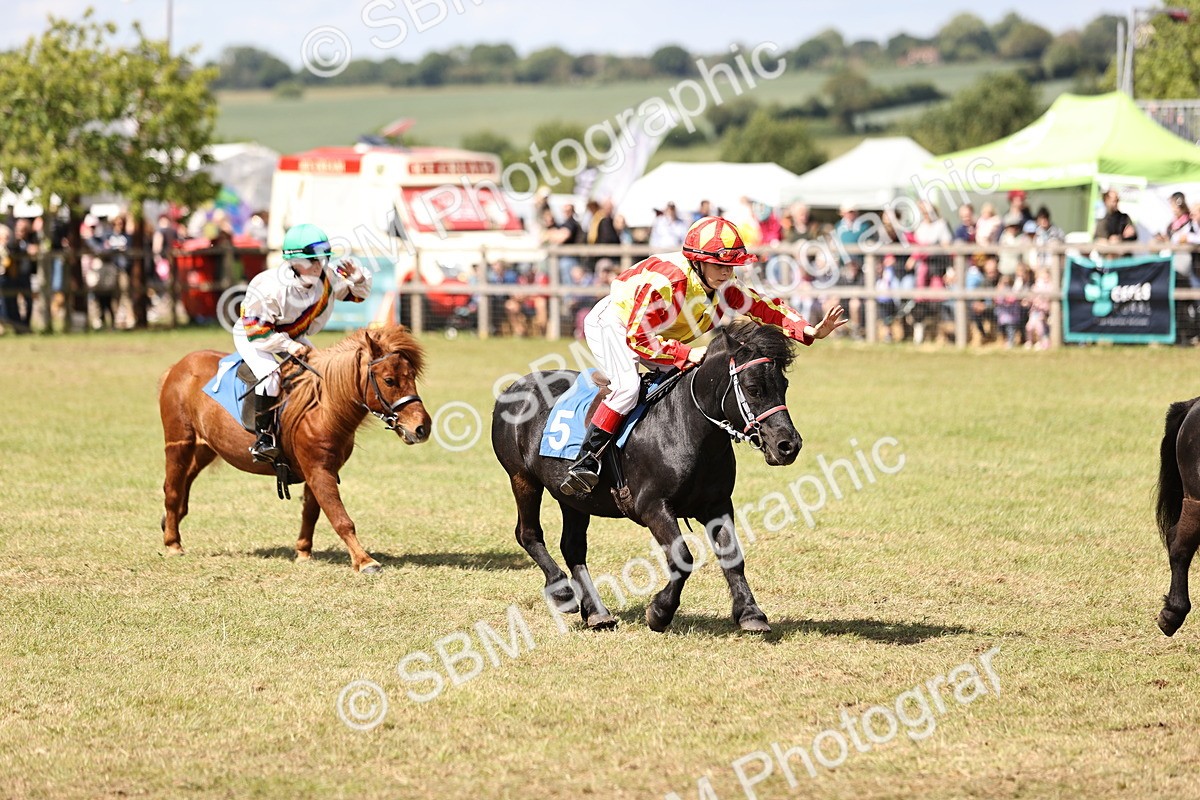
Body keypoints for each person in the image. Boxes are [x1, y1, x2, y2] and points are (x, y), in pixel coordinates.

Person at [559, 215, 847, 496]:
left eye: (731, 266)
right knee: (628, 388)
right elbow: (638, 339)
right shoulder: (667, 283)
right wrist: (685, 353)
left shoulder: (725, 286)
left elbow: (764, 308)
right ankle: (586, 460)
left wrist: (808, 330)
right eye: (720, 265)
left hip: (658, 335)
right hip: (616, 325)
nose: (727, 272)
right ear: (697, 261)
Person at [233, 223, 372, 462]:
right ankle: (263, 440)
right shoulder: (269, 287)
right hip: (255, 336)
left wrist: (357, 279)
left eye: (321, 259)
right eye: (313, 260)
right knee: (272, 377)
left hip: (292, 335)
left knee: (321, 373)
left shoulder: (326, 278)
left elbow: (357, 295)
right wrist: (287, 346)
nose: (319, 265)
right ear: (294, 263)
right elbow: (257, 331)